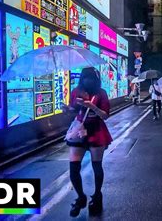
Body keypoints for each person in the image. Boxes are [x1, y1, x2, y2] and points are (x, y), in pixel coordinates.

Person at [67, 67, 112, 217]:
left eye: (91, 77)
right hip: (79, 131)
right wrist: (67, 109)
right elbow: (73, 110)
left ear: (96, 79)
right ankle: (80, 197)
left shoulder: (101, 93)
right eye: (85, 77)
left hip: (97, 131)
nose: (88, 80)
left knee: (96, 166)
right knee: (73, 168)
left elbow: (105, 116)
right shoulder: (76, 91)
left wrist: (92, 106)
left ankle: (97, 196)